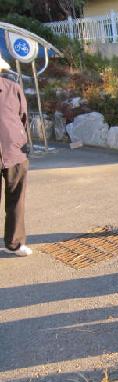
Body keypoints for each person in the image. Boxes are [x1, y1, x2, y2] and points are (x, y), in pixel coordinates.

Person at [0, 53, 32, 257]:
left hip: (14, 151)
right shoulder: (12, 88)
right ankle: (15, 243)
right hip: (14, 149)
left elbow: (23, 117)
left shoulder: (12, 88)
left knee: (17, 199)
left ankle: (15, 243)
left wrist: (24, 142)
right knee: (15, 199)